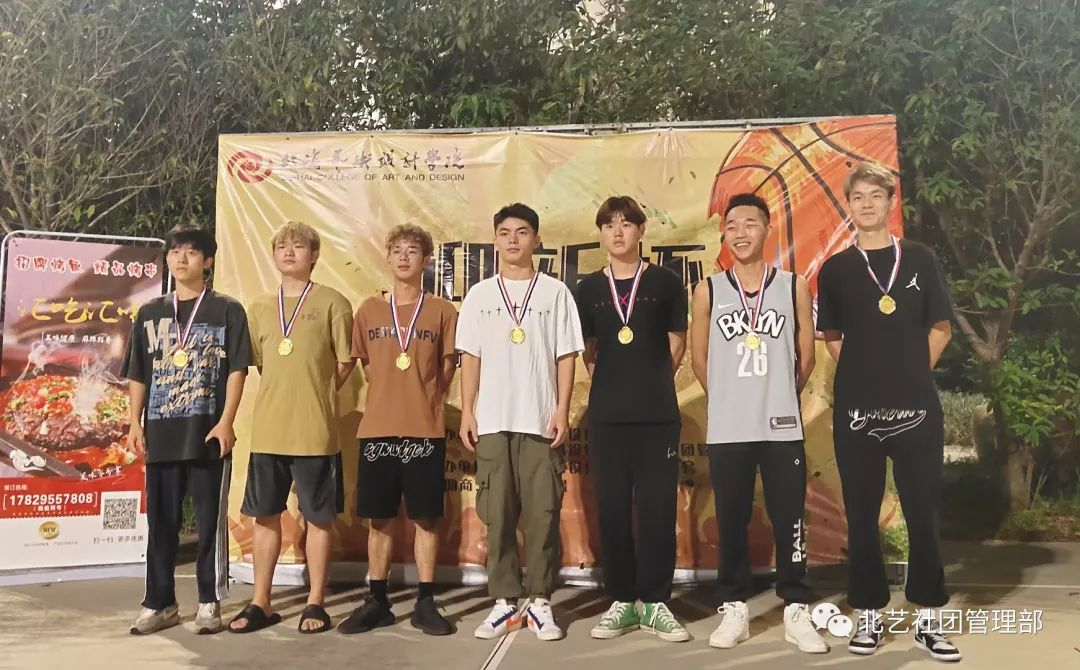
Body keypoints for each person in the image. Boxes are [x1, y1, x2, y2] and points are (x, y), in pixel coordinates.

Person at [816, 162, 960, 662]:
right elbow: (832, 336)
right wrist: (866, 374)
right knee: (861, 515)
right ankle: (869, 616)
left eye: (875, 195)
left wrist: (911, 373)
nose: (867, 204)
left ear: (890, 202)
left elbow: (941, 326)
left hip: (916, 406)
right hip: (858, 411)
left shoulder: (919, 258)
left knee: (923, 511)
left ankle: (928, 618)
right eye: (858, 196)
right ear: (849, 205)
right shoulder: (836, 269)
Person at [690, 193, 828, 653]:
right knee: (731, 519)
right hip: (729, 427)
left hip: (781, 426)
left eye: (750, 223)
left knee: (790, 518)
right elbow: (699, 358)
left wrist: (779, 393)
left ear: (767, 229)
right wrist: (729, 397)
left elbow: (806, 357)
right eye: (732, 225)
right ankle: (734, 607)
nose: (741, 232)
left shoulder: (794, 286)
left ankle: (795, 608)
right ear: (724, 235)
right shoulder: (708, 290)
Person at [457, 203, 584, 642]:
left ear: (537, 240)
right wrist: (468, 409)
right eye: (505, 232)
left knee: (543, 514)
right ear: (495, 240)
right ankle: (504, 601)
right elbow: (469, 357)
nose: (513, 240)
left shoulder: (555, 293)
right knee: (497, 513)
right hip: (493, 421)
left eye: (523, 232)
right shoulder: (479, 296)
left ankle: (541, 600)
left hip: (539, 420)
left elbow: (565, 355)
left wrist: (561, 409)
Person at [228, 221, 355, 635]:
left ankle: (316, 600)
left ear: (314, 255)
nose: (288, 252)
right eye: (281, 246)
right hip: (269, 431)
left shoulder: (334, 302)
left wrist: (316, 392)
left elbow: (344, 363)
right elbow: (262, 363)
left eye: (298, 246)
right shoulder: (259, 308)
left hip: (316, 433)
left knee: (319, 518)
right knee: (265, 516)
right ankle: (260, 602)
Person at [574, 196, 690, 642]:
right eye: (609, 225)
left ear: (642, 231)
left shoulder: (665, 281)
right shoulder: (588, 289)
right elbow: (589, 352)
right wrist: (616, 384)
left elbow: (676, 342)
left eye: (626, 224)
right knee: (613, 508)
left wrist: (650, 382)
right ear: (601, 234)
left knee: (659, 509)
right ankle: (622, 600)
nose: (617, 232)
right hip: (607, 417)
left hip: (658, 415)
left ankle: (656, 602)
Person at [125, 224, 251, 636]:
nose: (181, 258)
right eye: (175, 251)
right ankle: (159, 602)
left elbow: (237, 369)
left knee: (209, 522)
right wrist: (135, 422)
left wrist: (226, 421)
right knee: (161, 523)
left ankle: (209, 601)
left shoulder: (227, 310)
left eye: (192, 252)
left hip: (208, 433)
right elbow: (138, 372)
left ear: (207, 261)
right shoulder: (149, 312)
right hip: (161, 435)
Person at [337, 224, 458, 636]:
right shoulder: (369, 310)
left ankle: (425, 602)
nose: (404, 257)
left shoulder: (442, 311)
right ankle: (378, 601)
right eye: (397, 250)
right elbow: (368, 367)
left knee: (426, 519)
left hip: (424, 431)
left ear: (426, 260)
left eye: (413, 250)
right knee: (380, 519)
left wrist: (423, 398)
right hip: (378, 431)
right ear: (387, 258)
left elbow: (446, 368)